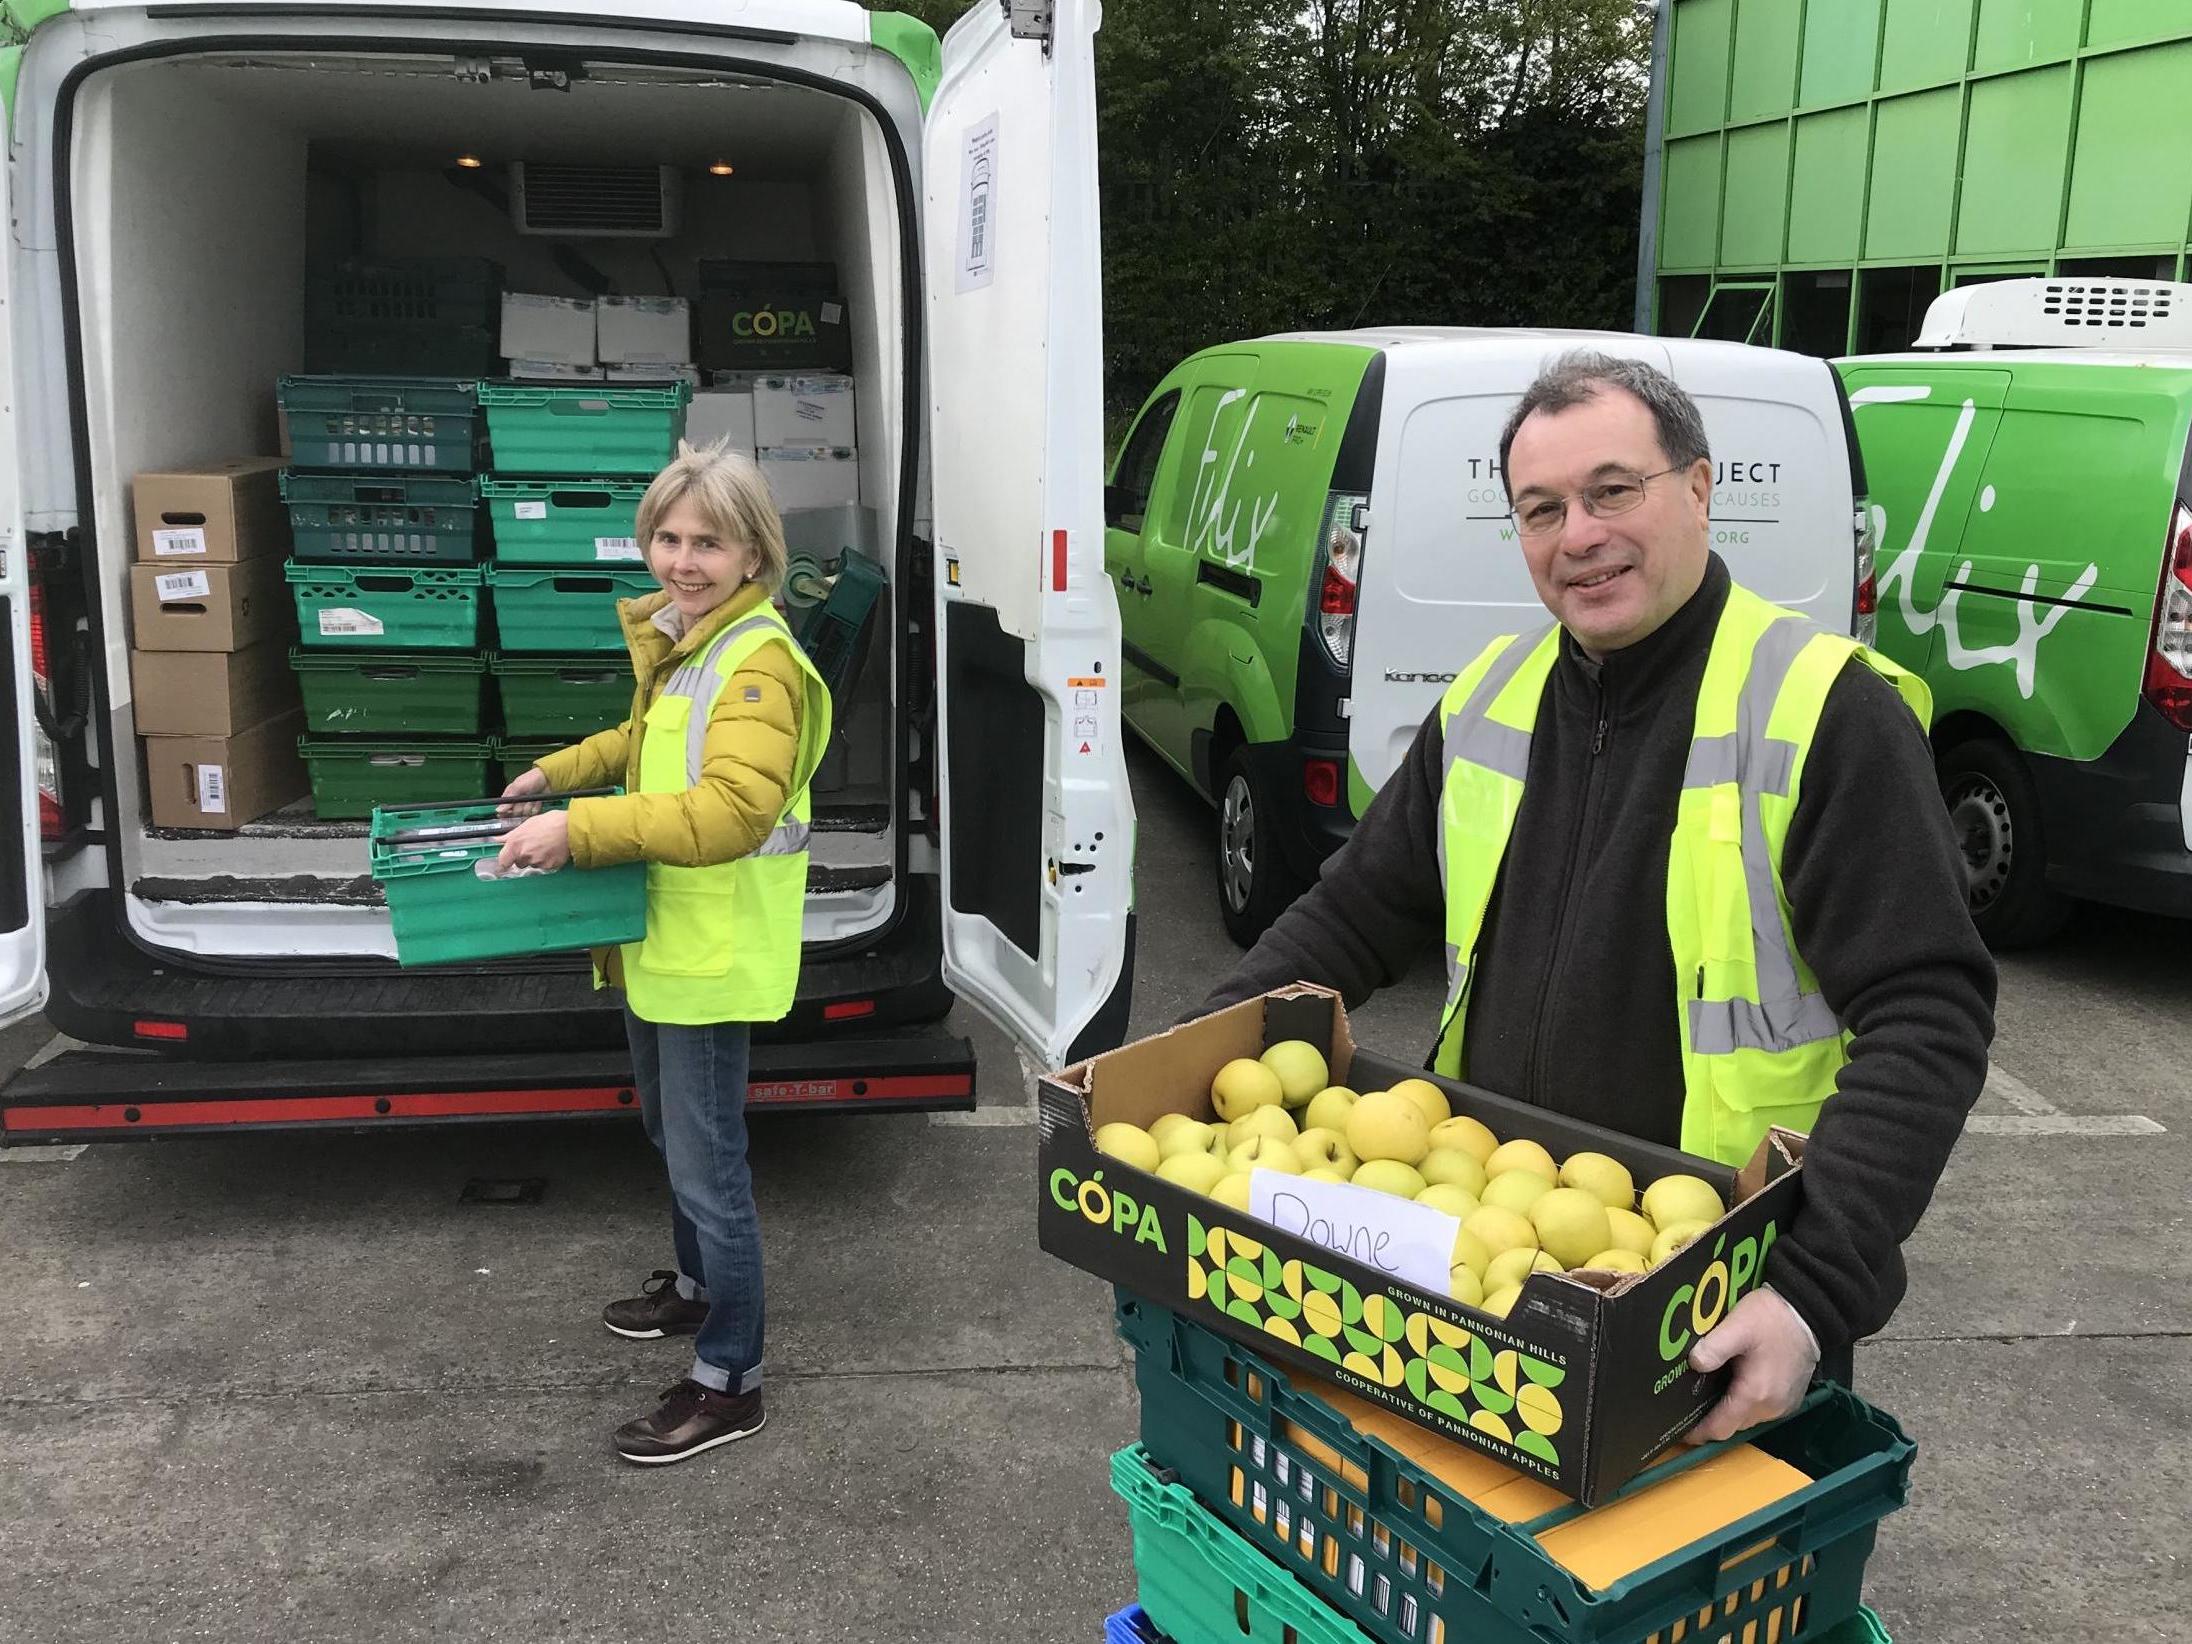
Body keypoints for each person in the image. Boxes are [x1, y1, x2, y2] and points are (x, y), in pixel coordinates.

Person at [1196, 350, 1996, 1442]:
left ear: (1699, 488)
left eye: (1612, 490)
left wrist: (1813, 1292)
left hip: (1707, 1293)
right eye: (1540, 509)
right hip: (1489, 1259)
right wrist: (1182, 1062)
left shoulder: (1824, 711)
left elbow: (1927, 1014)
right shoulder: (1491, 696)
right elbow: (1350, 914)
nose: (1577, 535)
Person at [497, 440, 833, 1466]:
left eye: (708, 543)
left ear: (752, 553)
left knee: (708, 1169)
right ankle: (694, 1294)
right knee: (668, 1135)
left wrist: (578, 831)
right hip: (663, 938)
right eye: (669, 538)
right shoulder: (691, 639)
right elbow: (643, 742)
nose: (682, 560)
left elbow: (731, 809)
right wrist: (555, 773)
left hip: (710, 951)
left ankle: (730, 1378)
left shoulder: (754, 666)